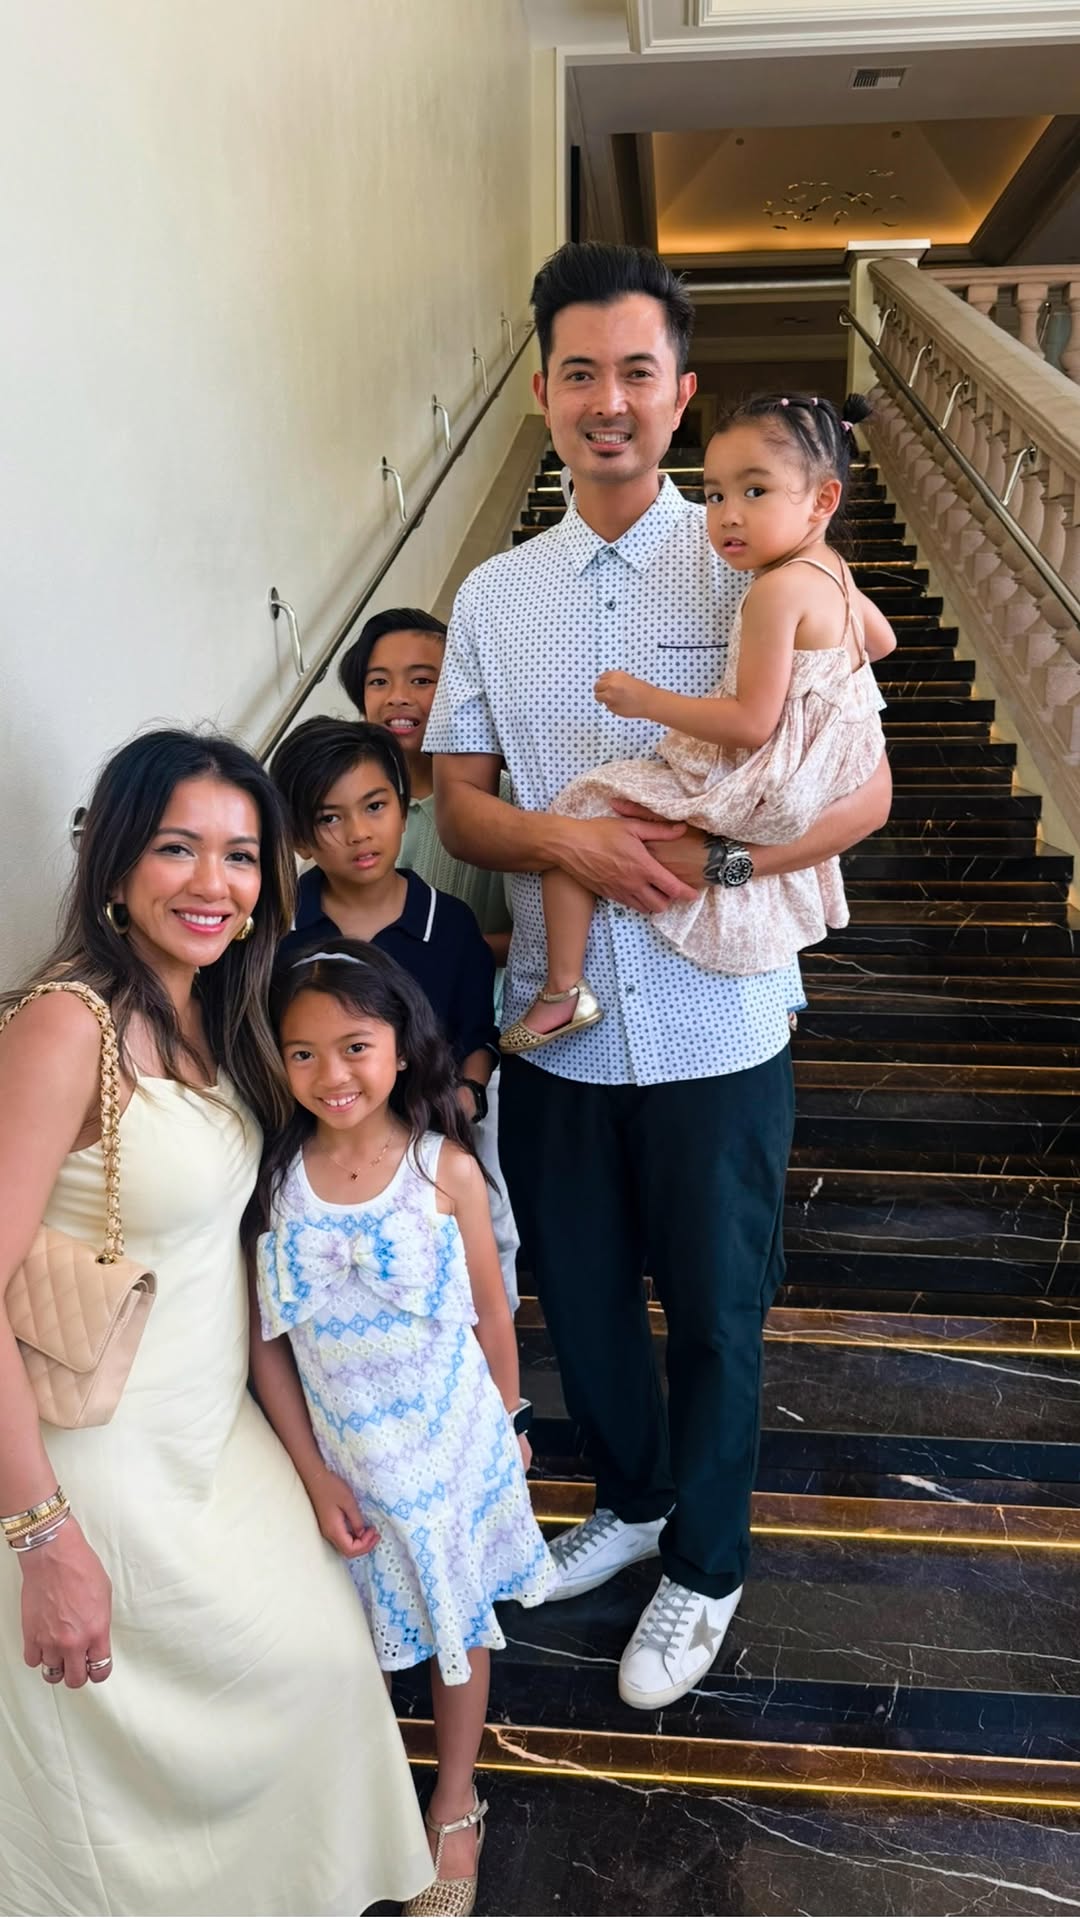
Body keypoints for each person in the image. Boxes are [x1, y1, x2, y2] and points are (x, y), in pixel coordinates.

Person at [425, 241, 892, 1712]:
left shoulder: (762, 554)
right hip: (557, 1025)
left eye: (638, 371)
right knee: (577, 1292)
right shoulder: (494, 594)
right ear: (546, 394)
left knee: (715, 1311)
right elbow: (460, 809)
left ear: (682, 393)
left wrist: (727, 861)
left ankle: (707, 1561)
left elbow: (867, 789)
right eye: (581, 373)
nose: (609, 400)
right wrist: (565, 837)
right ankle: (630, 1504)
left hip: (720, 1017)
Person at [0, 729, 431, 1918]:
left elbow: (232, 1258)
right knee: (128, 1782)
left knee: (319, 1668)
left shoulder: (224, 1013)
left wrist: (308, 1456)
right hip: (99, 1459)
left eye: (241, 856)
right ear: (115, 863)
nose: (213, 882)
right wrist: (40, 1535)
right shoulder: (66, 1025)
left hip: (217, 1432)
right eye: (177, 847)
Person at [247, 942, 553, 1918]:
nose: (330, 1073)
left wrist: (510, 1420)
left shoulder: (443, 1167)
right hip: (348, 1463)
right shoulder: (276, 1182)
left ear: (400, 1045)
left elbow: (492, 1313)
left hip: (449, 1448)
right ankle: (365, 1804)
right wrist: (312, 1471)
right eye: (302, 1053)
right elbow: (266, 1344)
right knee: (353, 1640)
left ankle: (455, 1804)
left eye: (354, 1046)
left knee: (457, 1627)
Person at [501, 390, 896, 1050]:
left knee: (580, 808)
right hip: (824, 774)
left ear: (822, 500)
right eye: (714, 495)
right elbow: (880, 642)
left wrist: (644, 700)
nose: (728, 515)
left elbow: (750, 723)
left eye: (755, 491)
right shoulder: (831, 572)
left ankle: (562, 990)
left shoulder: (774, 592)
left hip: (767, 780)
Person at [340, 613, 522, 1306]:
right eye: (379, 681)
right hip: (362, 1054)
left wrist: (440, 947)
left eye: (424, 680)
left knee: (480, 1217)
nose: (399, 698)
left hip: (473, 1046)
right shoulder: (352, 809)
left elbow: (536, 936)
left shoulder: (495, 801)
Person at [270, 717, 498, 1127]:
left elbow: (477, 1035)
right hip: (305, 1143)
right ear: (298, 838)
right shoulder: (273, 928)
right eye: (329, 818)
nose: (359, 833)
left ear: (403, 810)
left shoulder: (450, 925)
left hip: (425, 1138)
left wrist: (468, 1098)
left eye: (375, 807)